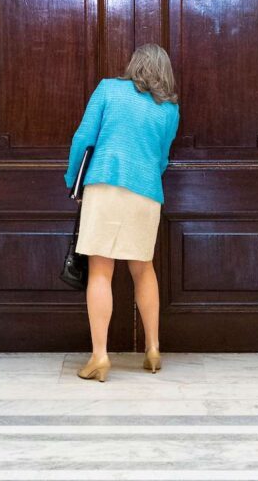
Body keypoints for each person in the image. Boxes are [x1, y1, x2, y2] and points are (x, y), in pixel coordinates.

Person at [63, 44, 181, 382]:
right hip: (147, 192)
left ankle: (100, 357)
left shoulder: (109, 89)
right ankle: (153, 349)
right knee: (144, 270)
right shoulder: (169, 110)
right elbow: (162, 159)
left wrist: (74, 180)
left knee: (101, 270)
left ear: (134, 65)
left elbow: (83, 138)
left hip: (105, 183)